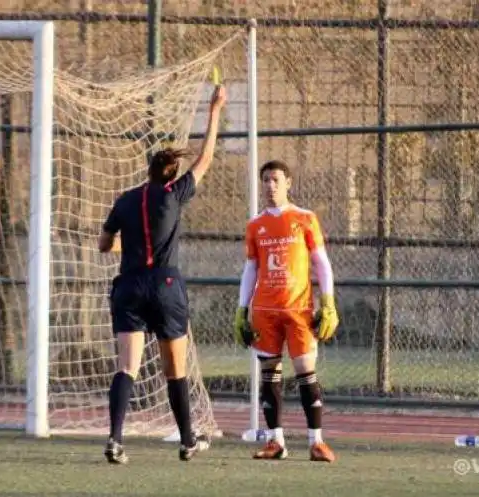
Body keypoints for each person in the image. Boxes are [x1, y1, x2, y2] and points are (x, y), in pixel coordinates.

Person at [98, 84, 227, 464]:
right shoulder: (173, 195)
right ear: (171, 175)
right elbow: (205, 159)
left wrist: (131, 247)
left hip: (130, 287)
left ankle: (115, 440)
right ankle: (188, 440)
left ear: (148, 171)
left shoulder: (125, 199)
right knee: (175, 371)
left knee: (127, 367)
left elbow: (104, 244)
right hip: (166, 286)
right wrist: (215, 108)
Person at [233, 160, 340, 463]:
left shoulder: (305, 218)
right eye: (265, 180)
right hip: (265, 311)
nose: (270, 186)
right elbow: (250, 268)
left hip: (299, 309)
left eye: (275, 180)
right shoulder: (255, 225)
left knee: (306, 371)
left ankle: (316, 442)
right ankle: (275, 441)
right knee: (269, 375)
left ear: (288, 183)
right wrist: (242, 310)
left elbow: (321, 263)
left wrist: (328, 302)